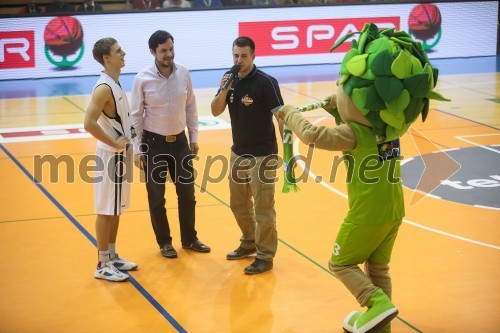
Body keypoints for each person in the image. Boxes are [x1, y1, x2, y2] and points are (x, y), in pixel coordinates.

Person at [275, 23, 449, 332]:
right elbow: (358, 118)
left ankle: (375, 303)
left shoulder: (352, 134)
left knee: (340, 263)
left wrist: (290, 113)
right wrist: (338, 109)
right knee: (378, 267)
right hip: (394, 210)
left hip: (367, 212)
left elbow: (312, 134)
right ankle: (382, 327)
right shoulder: (390, 127)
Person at [130, 30, 210, 259]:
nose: (169, 54)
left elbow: (191, 106)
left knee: (187, 194)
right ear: (153, 52)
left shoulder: (183, 73)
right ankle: (165, 242)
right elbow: (135, 115)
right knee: (156, 197)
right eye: (163, 50)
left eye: (171, 49)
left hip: (180, 143)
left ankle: (190, 239)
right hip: (153, 144)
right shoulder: (142, 78)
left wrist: (194, 137)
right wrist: (137, 149)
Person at [211, 36, 284, 275]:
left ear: (253, 56)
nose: (239, 60)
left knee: (263, 208)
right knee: (238, 203)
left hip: (263, 155)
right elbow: (215, 110)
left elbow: (280, 117)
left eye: (243, 56)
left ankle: (265, 256)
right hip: (238, 152)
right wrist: (224, 89)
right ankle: (249, 241)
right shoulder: (229, 80)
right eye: (235, 56)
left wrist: (289, 151)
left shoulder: (266, 82)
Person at [84, 38, 138, 282]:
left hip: (120, 156)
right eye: (118, 51)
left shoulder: (116, 82)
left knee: (116, 209)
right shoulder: (104, 87)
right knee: (105, 210)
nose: (123, 53)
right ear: (107, 58)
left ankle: (113, 256)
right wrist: (113, 143)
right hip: (109, 157)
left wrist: (129, 147)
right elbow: (88, 123)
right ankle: (102, 263)